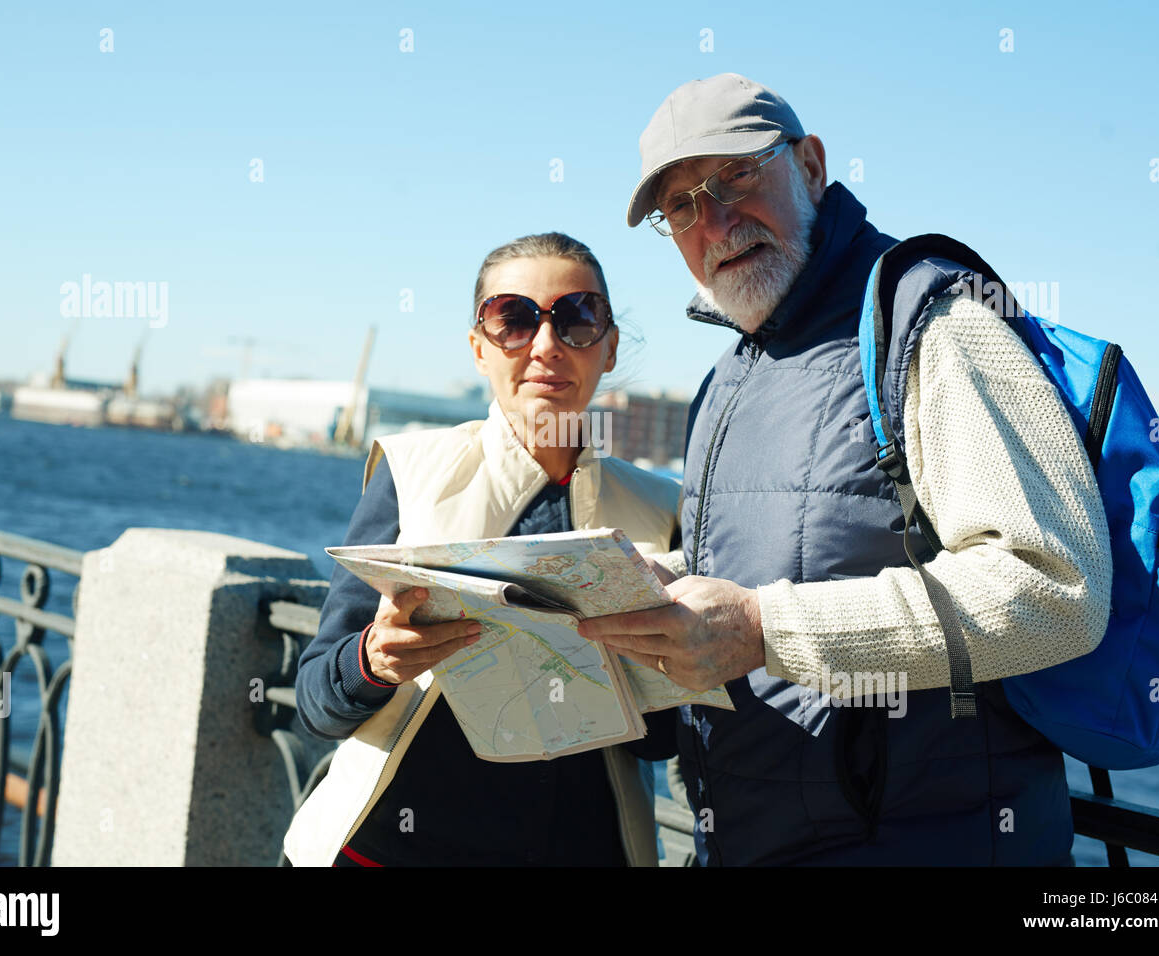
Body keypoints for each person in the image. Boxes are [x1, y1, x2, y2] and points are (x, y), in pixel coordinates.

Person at [576, 73, 1113, 865]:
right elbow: (782, 559)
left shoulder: (933, 322)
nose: (716, 221)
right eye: (681, 205)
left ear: (813, 166)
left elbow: (1055, 588)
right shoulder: (724, 381)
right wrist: (654, 590)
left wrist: (766, 630)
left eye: (737, 176)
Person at [284, 232, 681, 867]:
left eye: (577, 318)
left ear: (608, 347)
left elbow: (666, 741)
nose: (546, 346)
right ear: (478, 348)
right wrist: (373, 662)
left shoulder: (664, 510)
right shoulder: (412, 471)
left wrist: (660, 670)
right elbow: (314, 699)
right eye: (514, 320)